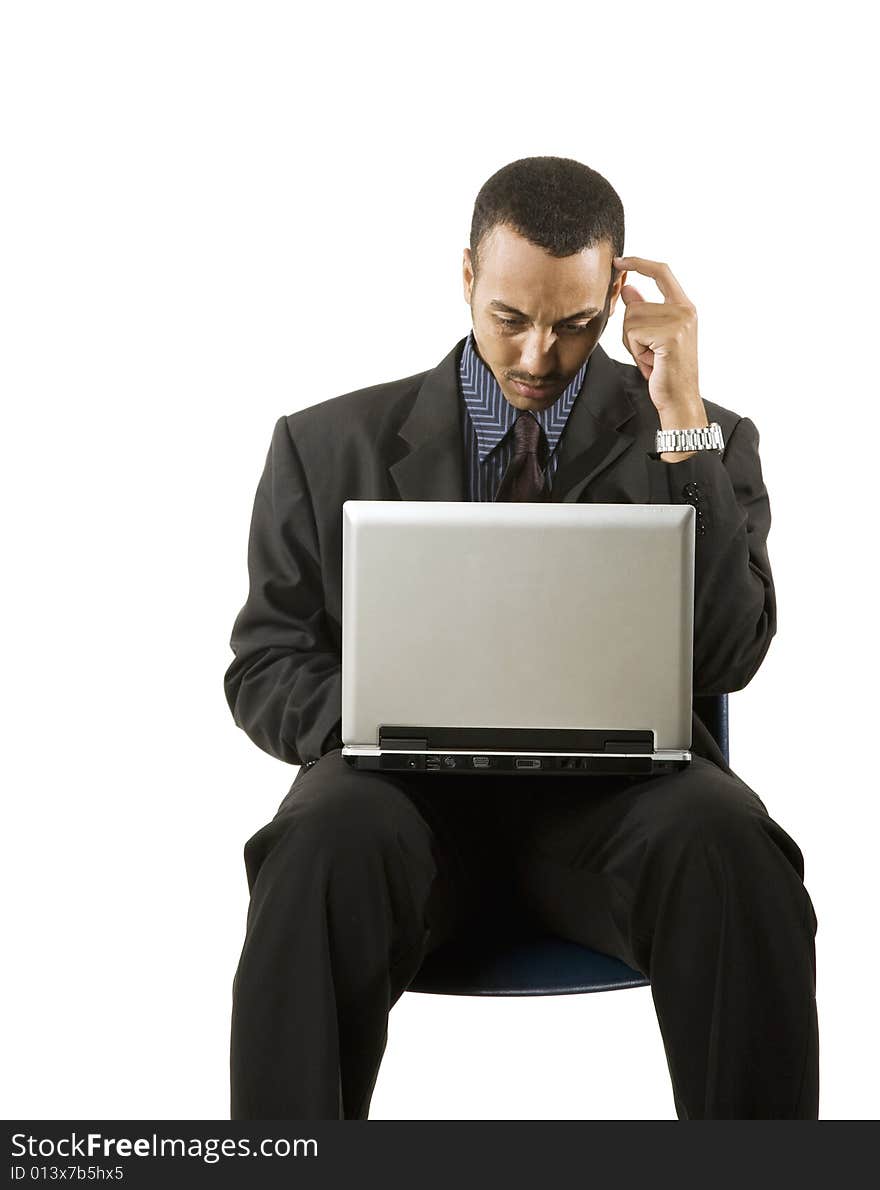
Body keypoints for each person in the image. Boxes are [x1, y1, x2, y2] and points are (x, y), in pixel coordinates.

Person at [223, 156, 819, 1120]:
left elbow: (729, 657)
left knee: (731, 840)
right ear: (466, 279)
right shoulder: (327, 445)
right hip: (402, 821)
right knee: (319, 836)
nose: (539, 354)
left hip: (618, 825)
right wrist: (379, 710)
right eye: (510, 317)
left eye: (577, 325)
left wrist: (680, 423)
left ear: (618, 294)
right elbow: (266, 663)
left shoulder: (705, 438)